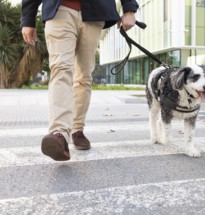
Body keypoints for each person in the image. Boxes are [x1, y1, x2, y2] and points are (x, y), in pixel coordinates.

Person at [21, 0, 139, 161]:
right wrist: (28, 19)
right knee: (61, 69)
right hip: (59, 10)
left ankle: (77, 129)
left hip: (95, 12)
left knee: (84, 76)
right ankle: (60, 133)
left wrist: (129, 9)